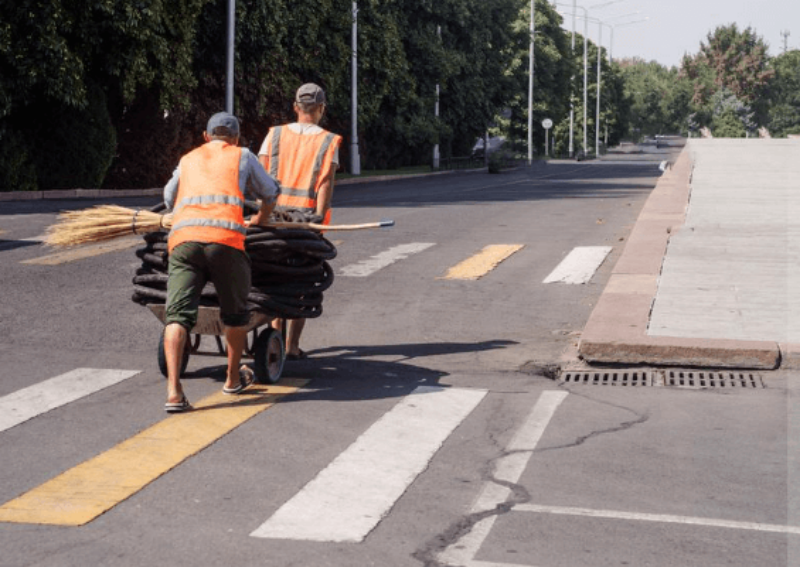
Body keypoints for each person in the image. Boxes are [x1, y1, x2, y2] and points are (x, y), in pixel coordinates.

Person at [162, 112, 280, 413]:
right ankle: (231, 379)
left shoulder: (188, 158)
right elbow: (270, 192)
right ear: (236, 138)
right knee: (236, 315)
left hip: (184, 241)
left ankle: (174, 392)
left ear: (206, 136)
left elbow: (168, 197)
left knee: (176, 316)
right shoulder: (243, 156)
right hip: (226, 242)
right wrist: (260, 219)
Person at [258, 83, 342, 360]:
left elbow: (258, 174)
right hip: (305, 225)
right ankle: (292, 346)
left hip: (272, 221)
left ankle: (274, 339)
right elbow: (325, 184)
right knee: (302, 281)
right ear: (321, 109)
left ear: (295, 107)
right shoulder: (328, 141)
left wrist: (260, 214)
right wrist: (318, 220)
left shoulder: (275, 135)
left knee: (272, 277)